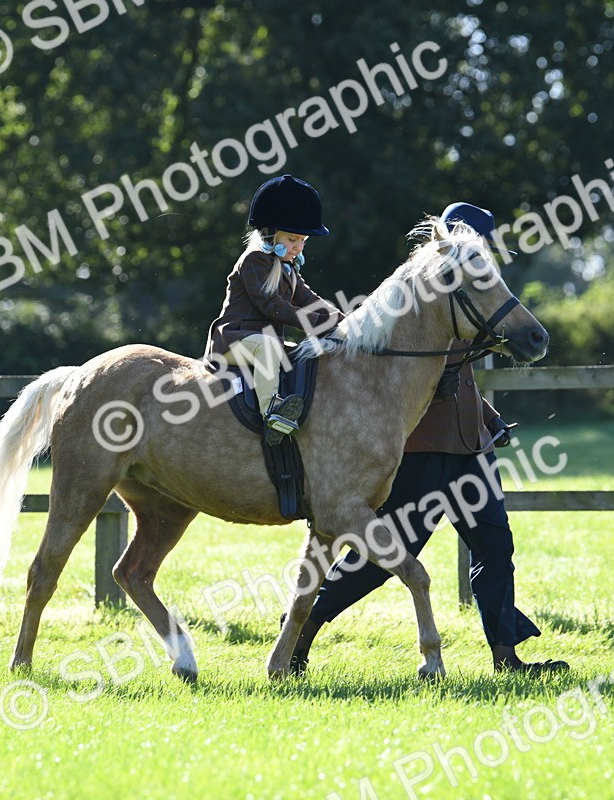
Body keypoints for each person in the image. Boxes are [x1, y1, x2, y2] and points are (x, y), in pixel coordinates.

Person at [289, 202, 569, 676]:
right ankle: (298, 633)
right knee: (383, 558)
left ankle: (507, 657)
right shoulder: (421, 302)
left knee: (496, 547)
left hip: (470, 449)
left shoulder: (476, 299)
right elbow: (417, 378)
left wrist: (488, 416)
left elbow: (462, 378)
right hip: (422, 450)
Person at [205, 174, 344, 444]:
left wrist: (344, 321)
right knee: (269, 346)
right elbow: (272, 305)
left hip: (260, 343)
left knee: (302, 354)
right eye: (293, 239)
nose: (299, 247)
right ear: (271, 233)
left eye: (303, 241)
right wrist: (318, 323)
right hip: (233, 341)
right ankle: (272, 413)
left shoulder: (288, 268)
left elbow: (308, 298)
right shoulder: (254, 261)